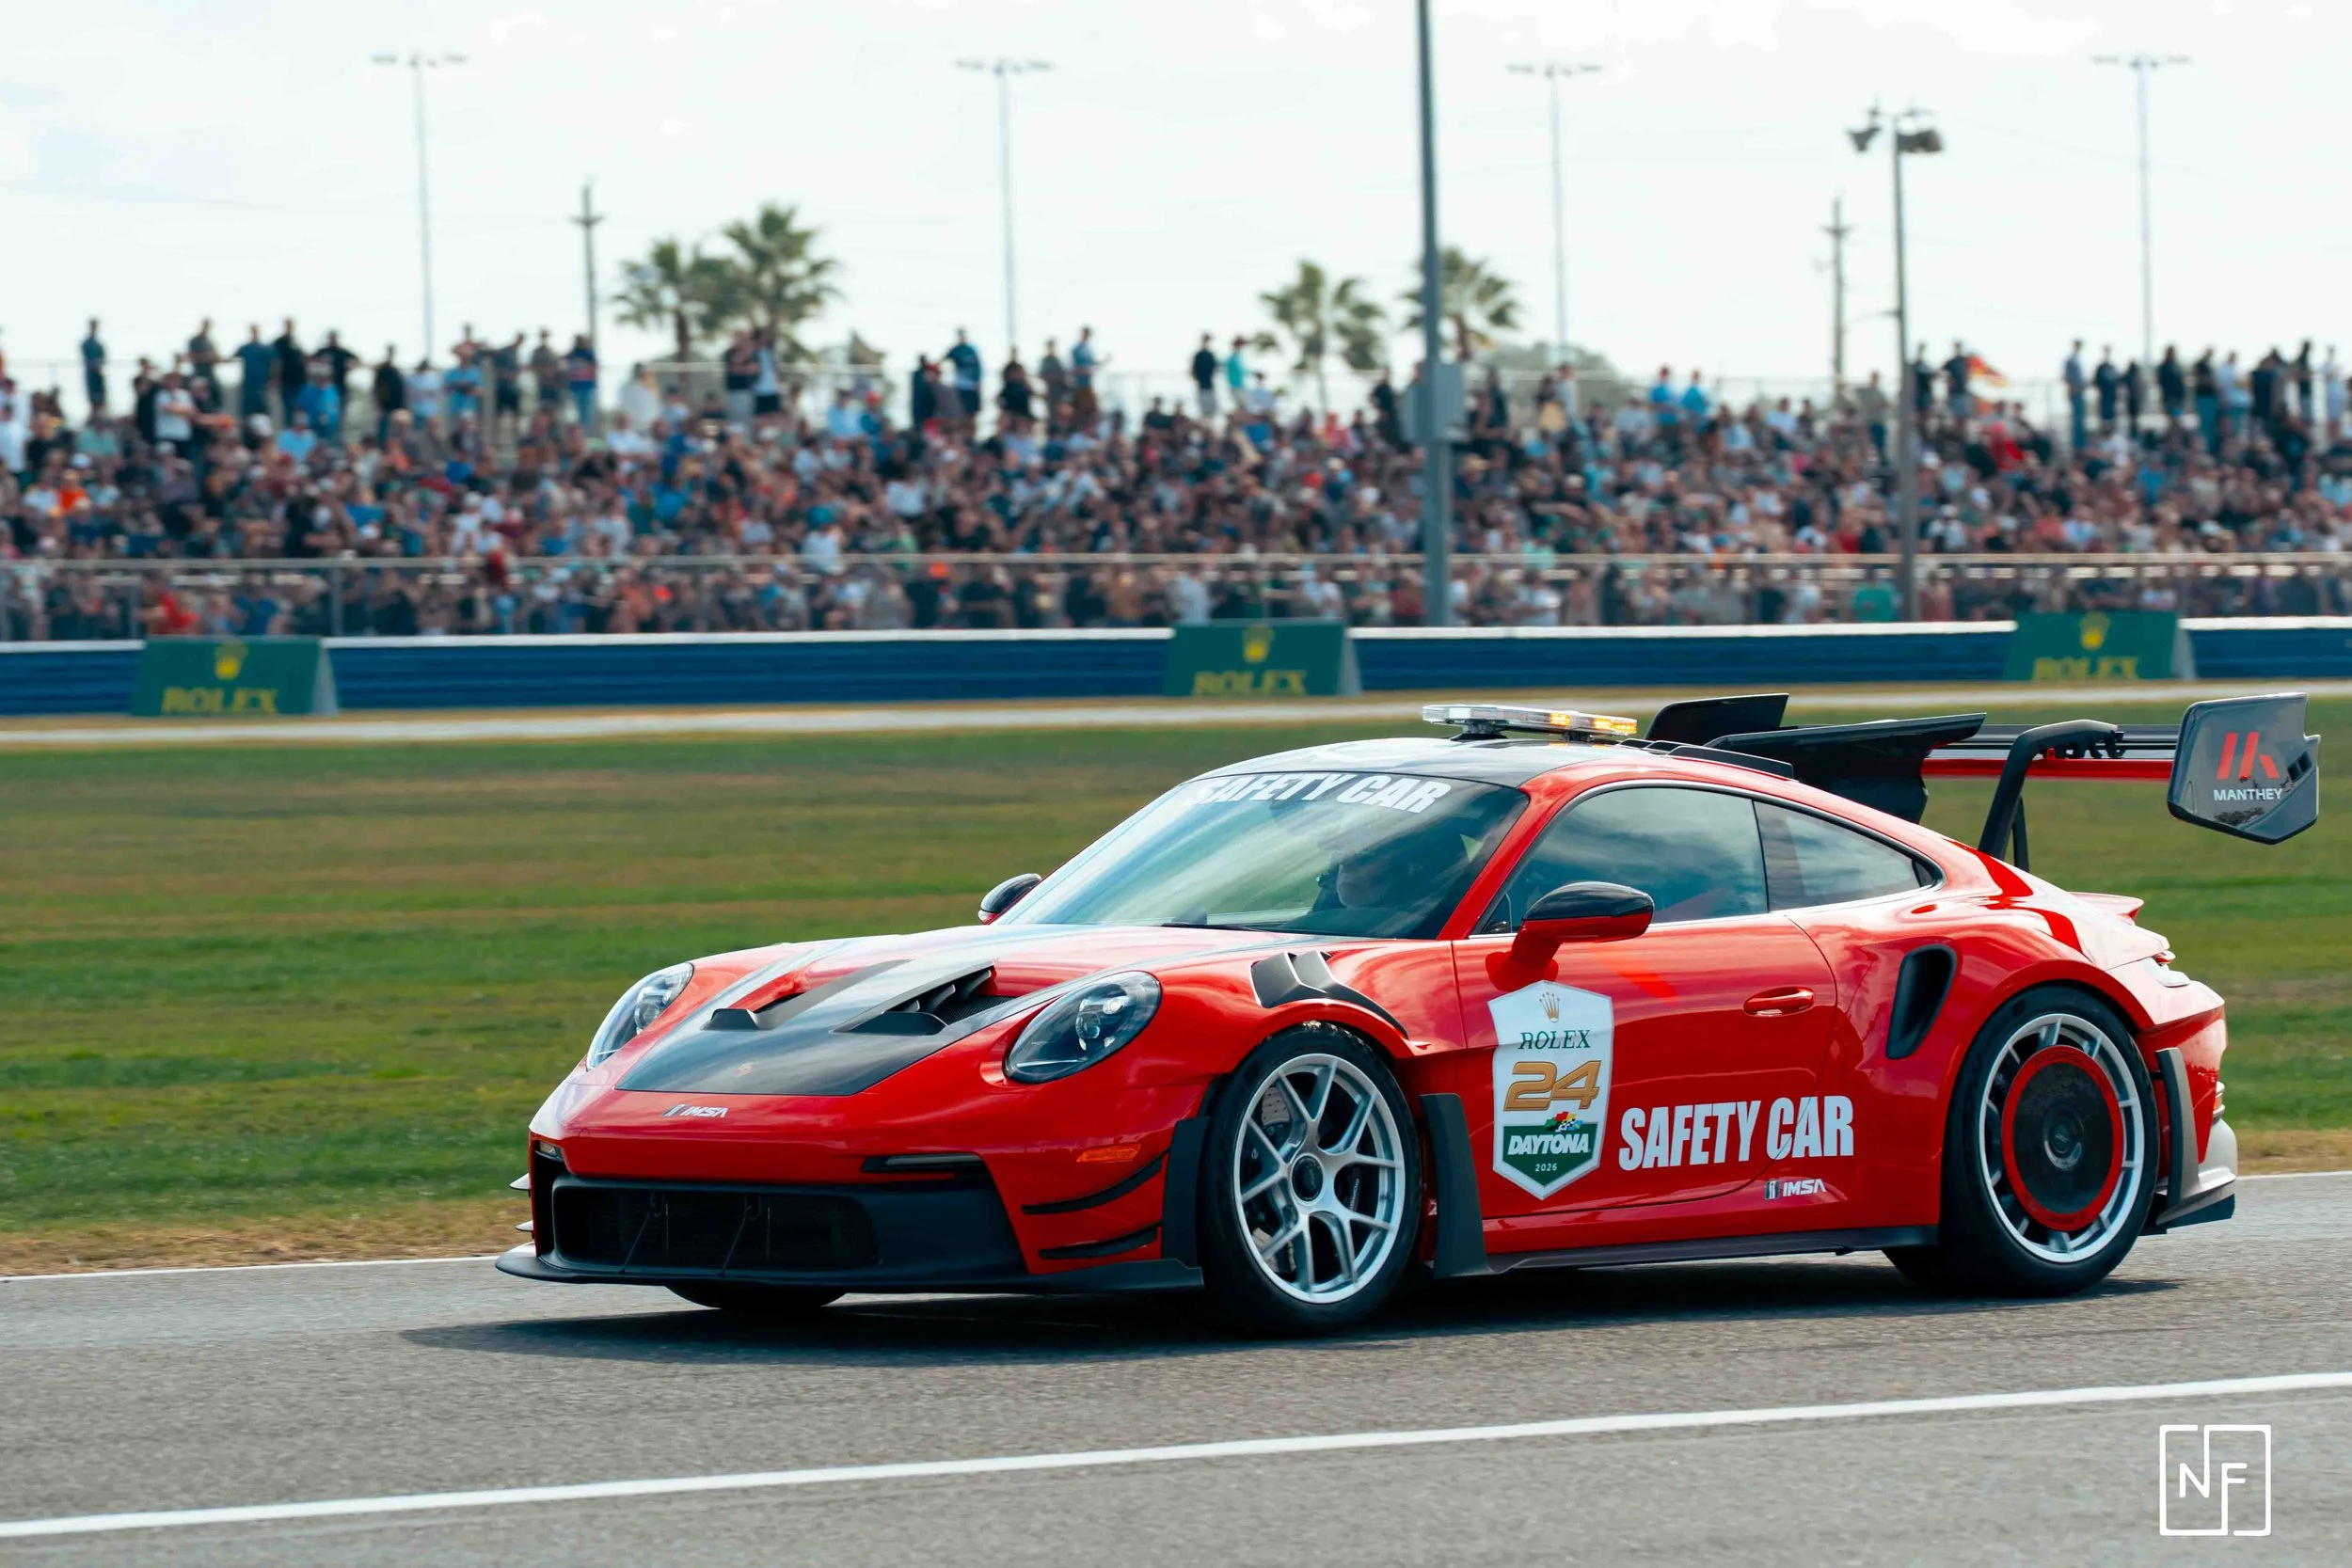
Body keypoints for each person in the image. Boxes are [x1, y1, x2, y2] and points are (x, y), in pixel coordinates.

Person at [233, 325, 275, 424]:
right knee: (246, 412)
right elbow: (234, 357)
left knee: (263, 410)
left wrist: (272, 380)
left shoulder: (266, 348)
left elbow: (274, 364)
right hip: (248, 385)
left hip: (262, 385)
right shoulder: (245, 348)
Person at [945, 329, 983, 422]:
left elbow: (978, 367)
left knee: (972, 413)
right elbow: (944, 360)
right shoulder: (956, 349)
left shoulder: (972, 350)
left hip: (972, 386)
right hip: (960, 386)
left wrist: (978, 382)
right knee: (961, 412)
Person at [372, 346, 405, 443]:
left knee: (396, 433)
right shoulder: (382, 370)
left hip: (397, 407)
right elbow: (376, 389)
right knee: (383, 432)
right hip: (385, 407)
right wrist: (379, 406)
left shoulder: (396, 371)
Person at [565, 335, 599, 429]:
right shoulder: (573, 354)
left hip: (587, 386)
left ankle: (585, 432)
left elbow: (594, 367)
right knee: (578, 412)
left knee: (587, 413)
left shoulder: (589, 353)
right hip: (576, 387)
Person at [2063, 340, 2087, 451]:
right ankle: (2077, 445)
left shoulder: (2077, 360)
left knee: (2081, 418)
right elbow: (2067, 377)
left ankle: (2080, 443)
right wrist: (2073, 387)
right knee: (2077, 419)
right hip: (2075, 392)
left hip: (2080, 392)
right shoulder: (2071, 360)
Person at [79, 319, 106, 416]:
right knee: (93, 401)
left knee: (101, 402)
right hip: (91, 377)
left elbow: (103, 360)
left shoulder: (100, 345)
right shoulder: (86, 343)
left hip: (99, 377)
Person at [1190, 332, 1219, 416]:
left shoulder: (1211, 355)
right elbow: (1192, 371)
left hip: (1209, 386)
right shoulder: (1199, 355)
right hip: (1202, 387)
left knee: (1212, 410)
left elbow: (1215, 369)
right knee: (1204, 411)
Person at [2092, 347, 2119, 433]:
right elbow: (2096, 381)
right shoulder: (2100, 367)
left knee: (2111, 416)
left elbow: (2117, 381)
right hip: (2103, 395)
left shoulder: (2113, 367)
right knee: (2104, 416)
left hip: (2112, 395)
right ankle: (2104, 433)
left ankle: (2111, 432)